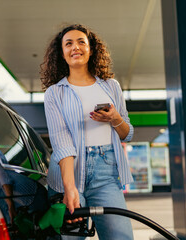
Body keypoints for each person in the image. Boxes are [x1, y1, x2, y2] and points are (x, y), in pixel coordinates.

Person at [40, 24, 134, 239]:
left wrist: (115, 118)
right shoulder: (55, 93)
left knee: (121, 237)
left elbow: (127, 134)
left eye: (81, 42)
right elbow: (62, 142)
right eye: (69, 43)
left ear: (91, 49)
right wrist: (69, 188)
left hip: (105, 174)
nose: (76, 47)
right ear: (62, 53)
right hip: (69, 173)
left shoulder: (111, 87)